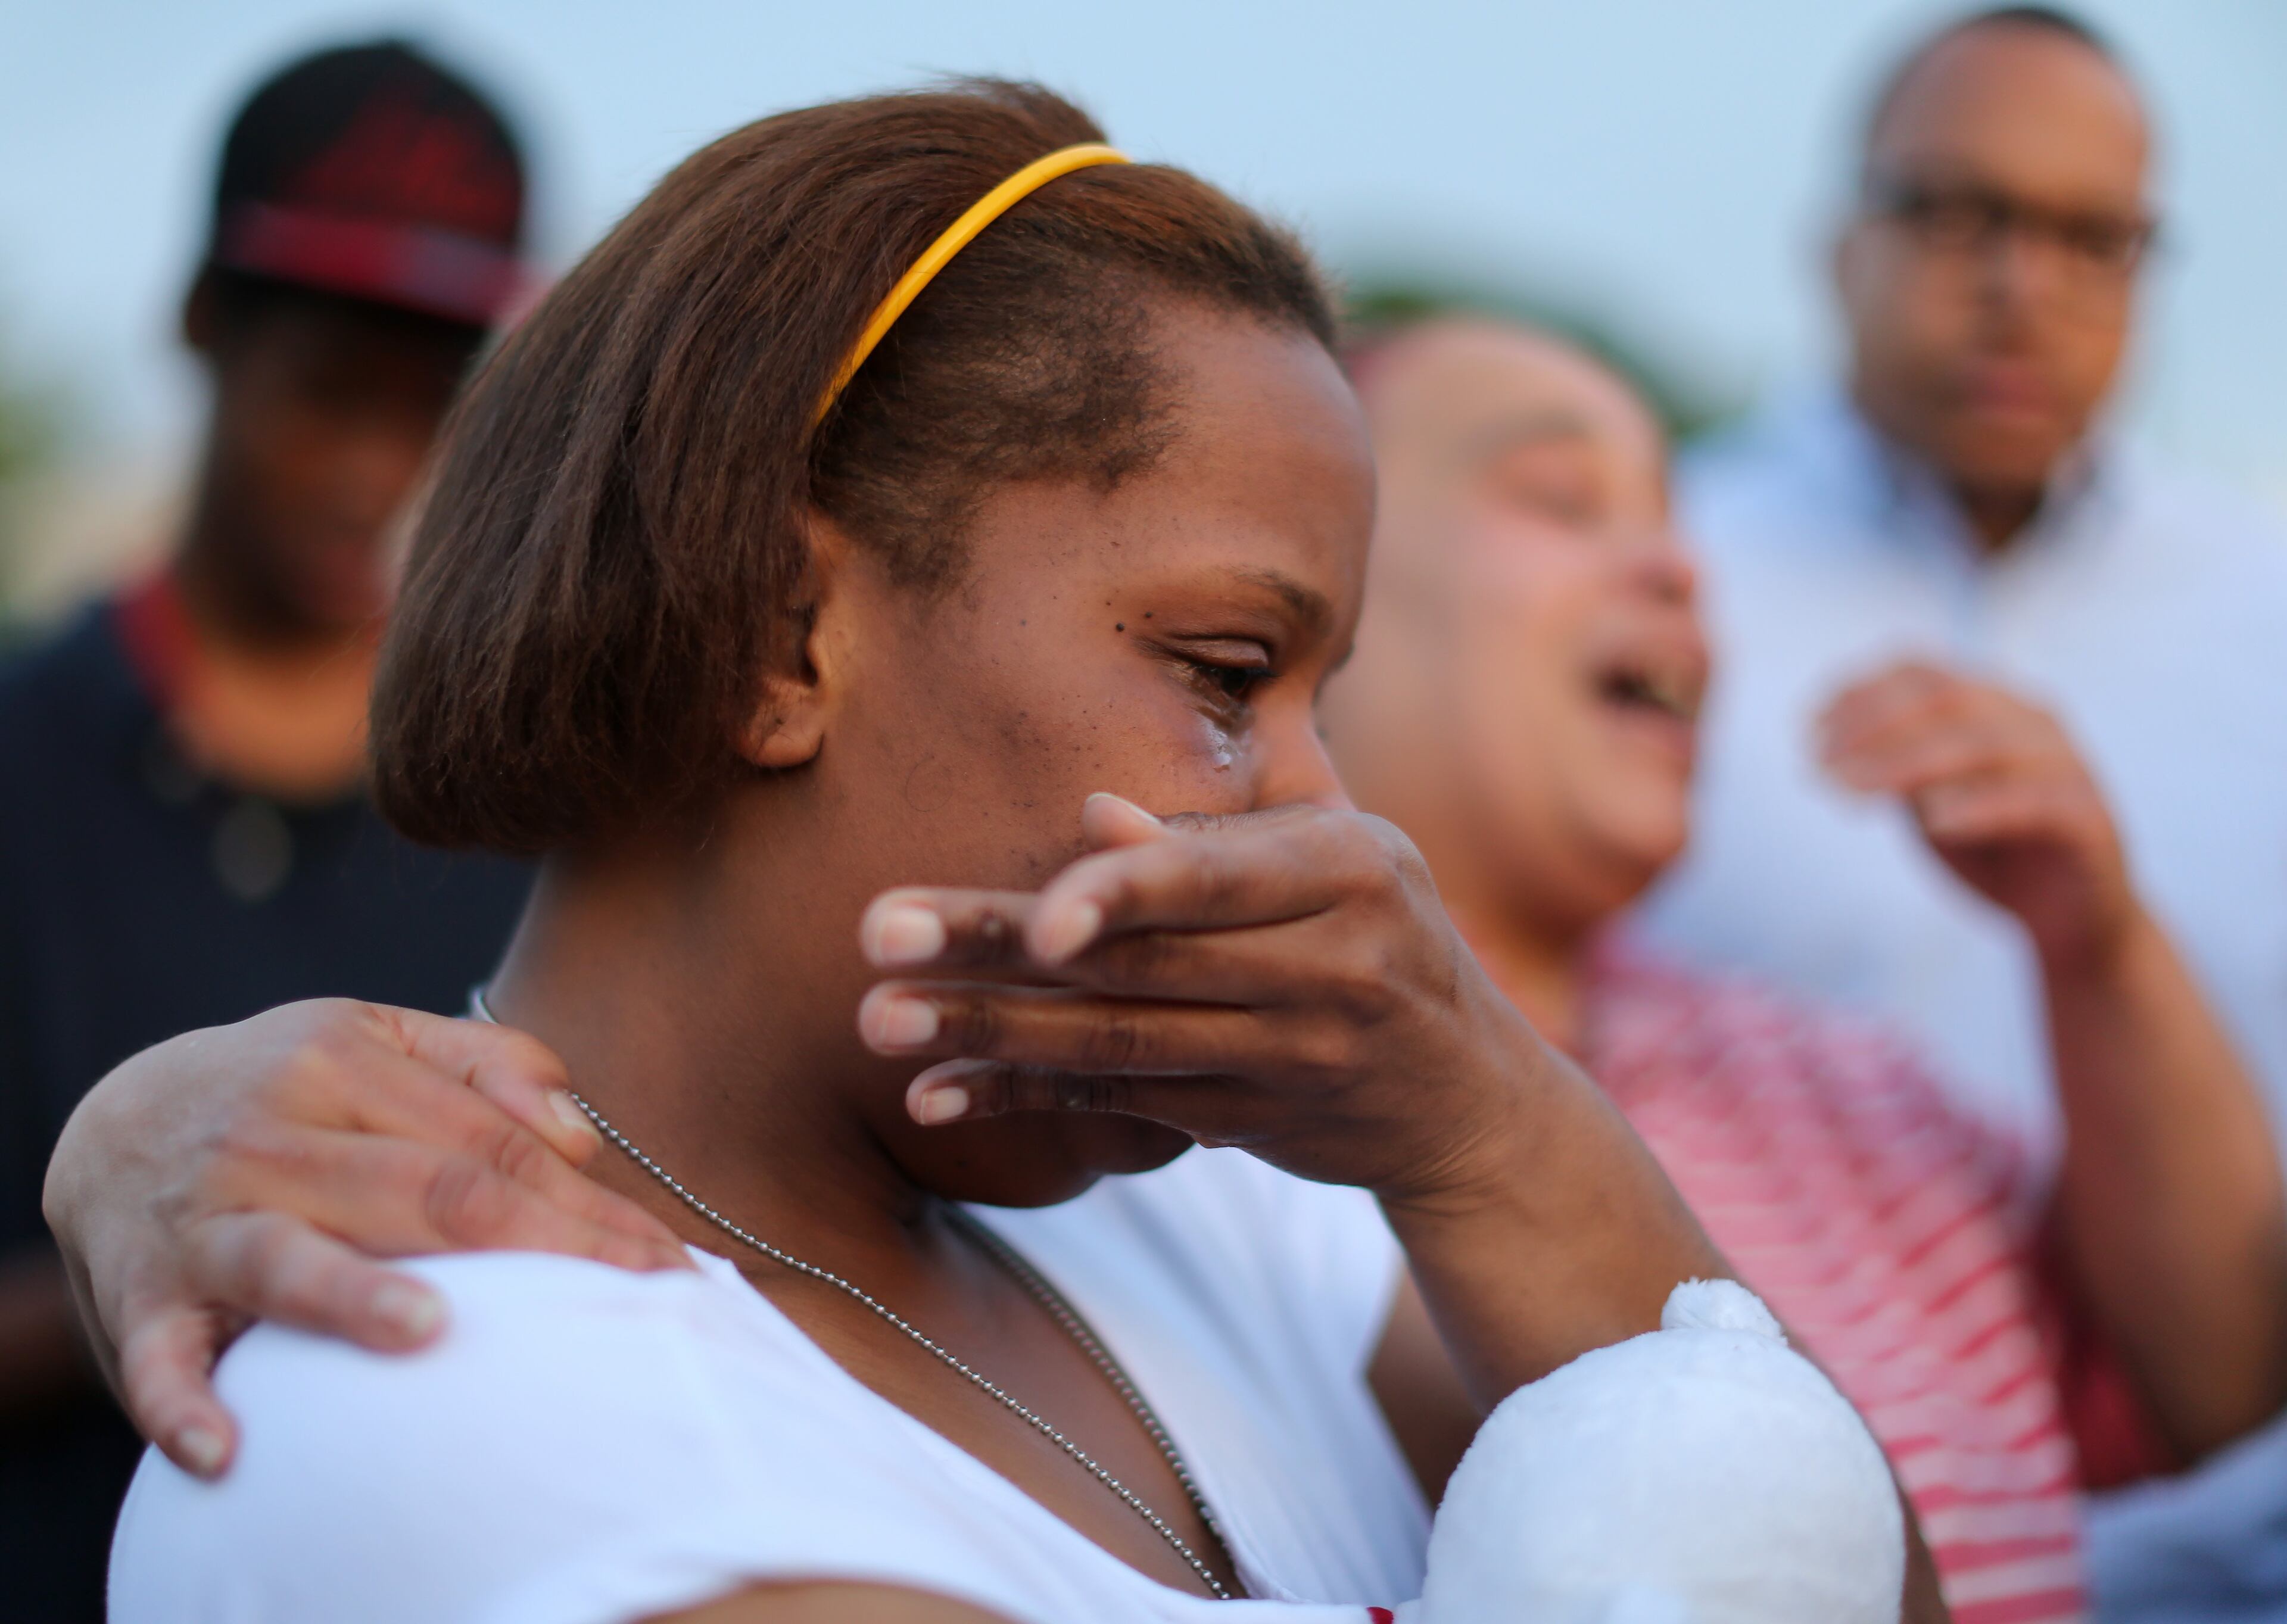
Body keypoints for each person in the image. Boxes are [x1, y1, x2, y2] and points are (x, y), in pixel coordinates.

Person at [69, 80, 1884, 1623]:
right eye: (1227, 673)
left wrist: (1493, 1124)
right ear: (784, 635)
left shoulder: (1224, 1224)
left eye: (1329, 696)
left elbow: (1817, 1560)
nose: (1335, 821)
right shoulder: (443, 1403)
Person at [1320, 315, 2285, 1624]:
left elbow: (2224, 1385)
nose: (1677, 567)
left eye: (1671, 521)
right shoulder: (1234, 1117)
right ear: (1311, 587)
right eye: (1561, 499)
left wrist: (2096, 940)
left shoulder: (1846, 1075)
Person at [1640, 9, 2287, 1610]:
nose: (2022, 282)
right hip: (1787, 1550)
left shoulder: (2269, 621)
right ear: (1840, 240)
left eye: (2092, 237)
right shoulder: (1654, 581)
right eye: (1958, 214)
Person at [0, 40, 535, 1620]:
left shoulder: (544, 795)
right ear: (204, 326)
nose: (376, 464)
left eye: (430, 399)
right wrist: (172, 1241)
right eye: (326, 387)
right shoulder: (24, 756)